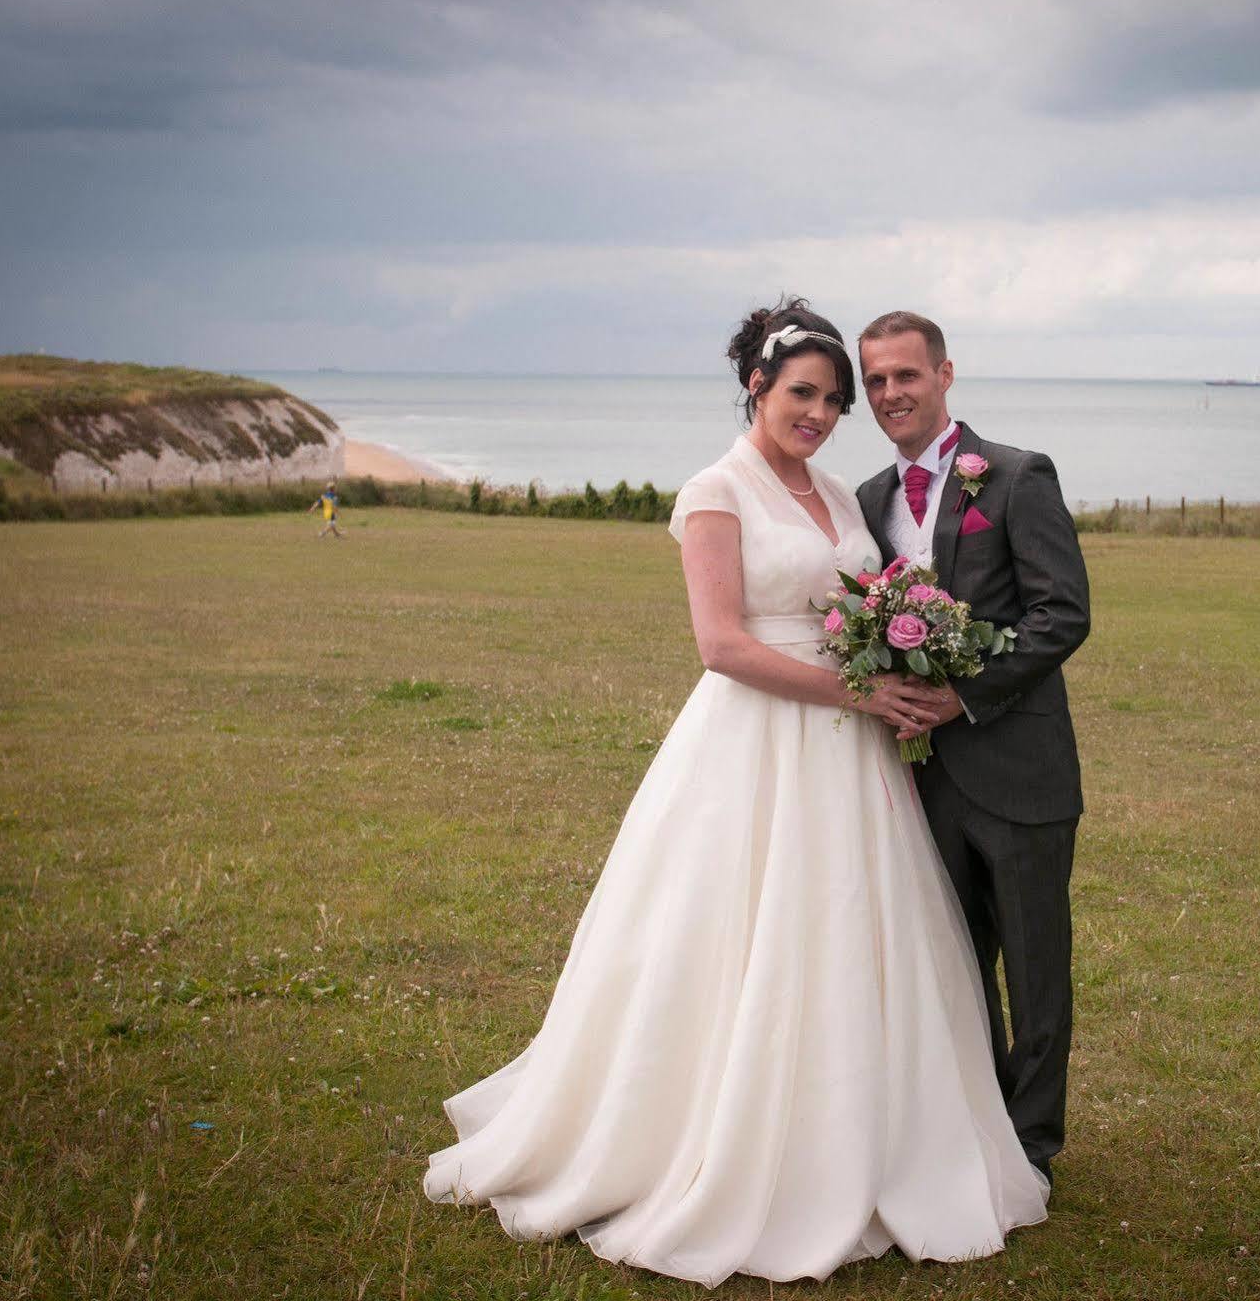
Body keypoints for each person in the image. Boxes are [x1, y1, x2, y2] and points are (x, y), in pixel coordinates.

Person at [424, 299, 1048, 1285]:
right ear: (755, 385)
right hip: (753, 741)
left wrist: (903, 650)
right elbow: (720, 645)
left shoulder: (843, 497)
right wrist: (858, 683)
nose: (820, 413)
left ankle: (869, 1139)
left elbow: (862, 602)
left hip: (852, 755)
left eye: (835, 400)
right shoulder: (714, 492)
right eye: (803, 392)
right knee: (733, 934)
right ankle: (709, 1139)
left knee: (850, 933)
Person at [855, 311, 1090, 1190]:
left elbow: (1061, 613)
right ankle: (972, 1127)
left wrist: (964, 694)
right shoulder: (868, 496)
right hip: (919, 777)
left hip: (1020, 770)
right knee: (952, 968)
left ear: (944, 374)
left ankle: (1032, 1146)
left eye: (904, 376)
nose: (890, 395)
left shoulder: (1018, 476)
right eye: (874, 381)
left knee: (1034, 970)